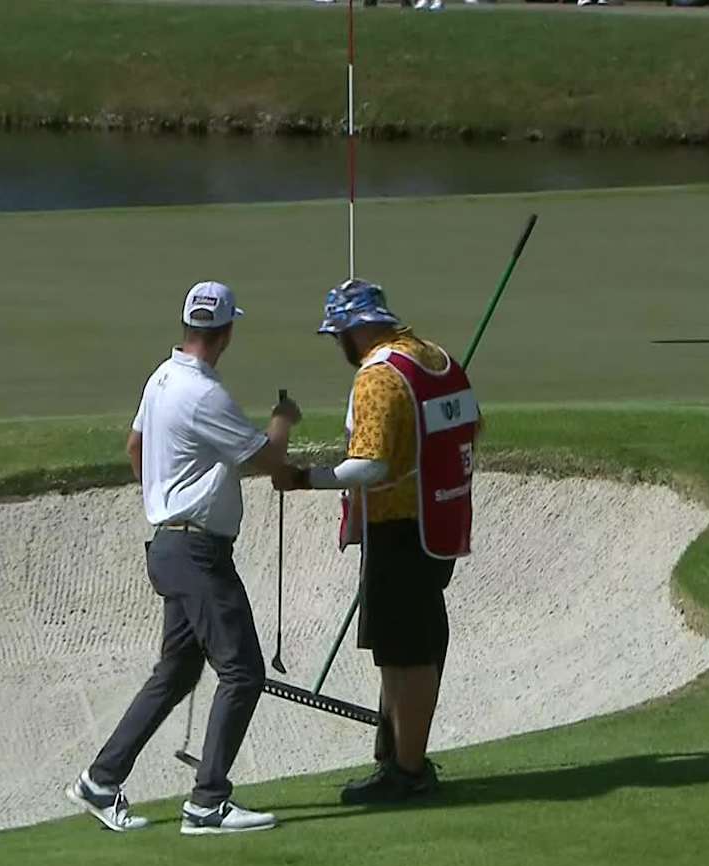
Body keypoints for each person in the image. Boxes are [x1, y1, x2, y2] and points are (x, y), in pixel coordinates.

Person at [65, 280, 302, 835]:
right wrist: (284, 420)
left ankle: (100, 781)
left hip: (171, 545)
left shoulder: (162, 378)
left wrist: (161, 497)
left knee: (176, 672)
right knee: (243, 672)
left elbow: (134, 447)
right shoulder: (203, 393)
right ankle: (208, 803)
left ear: (189, 326)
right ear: (227, 332)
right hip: (197, 552)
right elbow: (267, 459)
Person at [273, 278, 481, 805]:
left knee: (404, 652)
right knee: (420, 642)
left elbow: (371, 465)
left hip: (399, 527)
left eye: (337, 334)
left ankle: (406, 771)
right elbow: (472, 427)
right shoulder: (437, 358)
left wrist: (304, 478)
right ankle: (401, 755)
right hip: (439, 521)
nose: (337, 346)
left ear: (354, 330)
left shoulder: (379, 376)